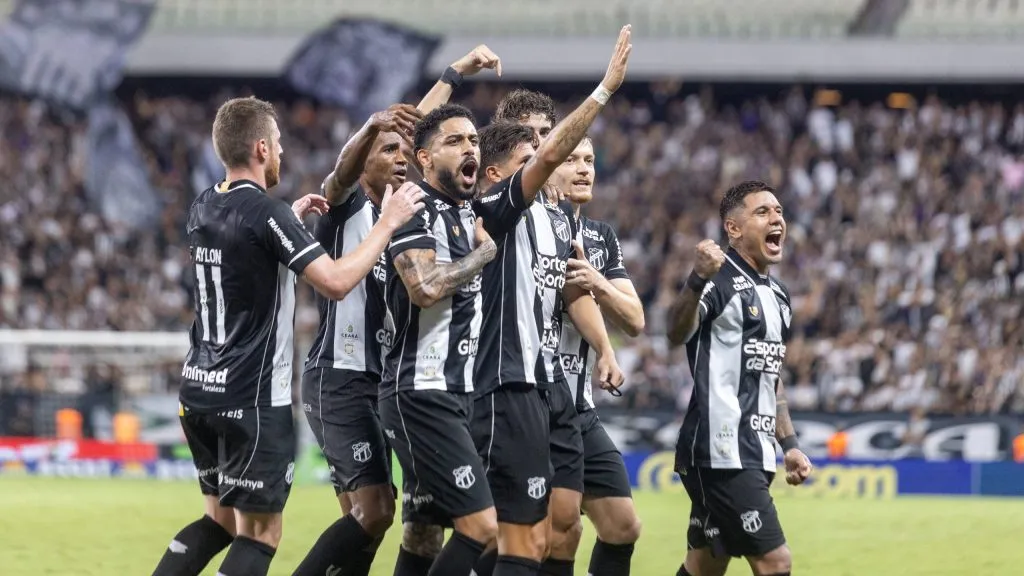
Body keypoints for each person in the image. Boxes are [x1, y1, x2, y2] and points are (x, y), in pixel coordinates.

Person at [150, 96, 425, 576]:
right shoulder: (268, 213)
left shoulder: (203, 205)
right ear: (260, 147)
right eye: (276, 144)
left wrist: (289, 225)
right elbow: (337, 282)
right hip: (250, 397)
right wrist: (387, 223)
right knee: (261, 534)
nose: (281, 153)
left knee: (218, 522)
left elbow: (248, 252)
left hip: (197, 390)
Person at [470, 26, 632, 576]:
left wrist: (604, 348)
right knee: (507, 536)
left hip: (550, 388)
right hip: (503, 382)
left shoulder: (560, 220)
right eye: (533, 145)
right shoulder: (497, 204)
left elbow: (571, 289)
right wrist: (605, 89)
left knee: (557, 529)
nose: (548, 151)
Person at [293, 102, 423, 576]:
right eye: (388, 150)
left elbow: (407, 121)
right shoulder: (347, 207)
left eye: (404, 151)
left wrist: (454, 72)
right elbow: (342, 171)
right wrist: (372, 125)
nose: (401, 156)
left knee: (363, 519)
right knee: (378, 508)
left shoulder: (397, 220)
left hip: (376, 384)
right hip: (339, 377)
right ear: (364, 159)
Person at [666, 181, 814, 576]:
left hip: (754, 449)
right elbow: (676, 333)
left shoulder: (779, 296)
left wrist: (791, 444)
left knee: (706, 564)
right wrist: (696, 279)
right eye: (762, 212)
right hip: (721, 450)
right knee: (775, 561)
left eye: (779, 211)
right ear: (733, 229)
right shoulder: (717, 280)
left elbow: (770, 375)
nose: (777, 218)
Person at [379, 103, 499, 576]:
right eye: (454, 141)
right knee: (483, 527)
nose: (469, 147)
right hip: (420, 391)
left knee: (425, 533)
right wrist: (483, 255)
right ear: (424, 158)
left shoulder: (465, 213)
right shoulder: (413, 207)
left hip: (455, 392)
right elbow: (424, 287)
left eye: (473, 140)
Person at [551, 136, 646, 576]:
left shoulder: (600, 236)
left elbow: (634, 318)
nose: (584, 169)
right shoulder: (530, 222)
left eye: (589, 160)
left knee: (622, 526)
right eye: (571, 160)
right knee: (556, 531)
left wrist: (599, 281)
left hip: (580, 409)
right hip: (534, 401)